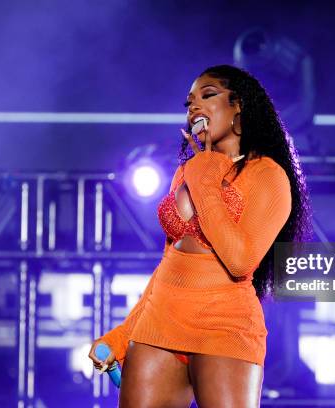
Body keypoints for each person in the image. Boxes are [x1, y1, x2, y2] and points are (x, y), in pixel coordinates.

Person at [88, 64, 311, 407]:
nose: (194, 107)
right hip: (159, 323)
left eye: (208, 95)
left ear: (239, 106)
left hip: (223, 325)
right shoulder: (185, 172)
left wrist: (206, 175)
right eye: (189, 102)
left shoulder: (267, 174)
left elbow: (240, 261)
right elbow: (170, 262)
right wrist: (124, 334)